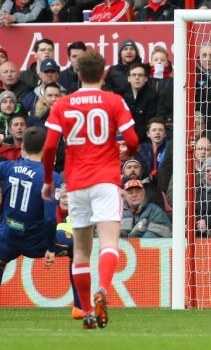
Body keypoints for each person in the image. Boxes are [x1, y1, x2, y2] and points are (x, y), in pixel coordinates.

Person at [41, 50, 139, 329]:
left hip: (76, 184)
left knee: (81, 252)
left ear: (78, 74)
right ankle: (103, 290)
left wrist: (49, 179)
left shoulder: (62, 104)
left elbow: (49, 147)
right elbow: (132, 138)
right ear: (104, 73)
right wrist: (125, 152)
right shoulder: (113, 101)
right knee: (109, 243)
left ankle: (85, 312)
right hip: (106, 180)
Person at [0, 131, 63, 321]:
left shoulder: (7, 167)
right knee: (76, 249)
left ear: (23, 147)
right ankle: (80, 308)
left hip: (9, 234)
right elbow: (51, 219)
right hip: (37, 241)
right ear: (45, 150)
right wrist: (51, 248)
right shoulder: (50, 176)